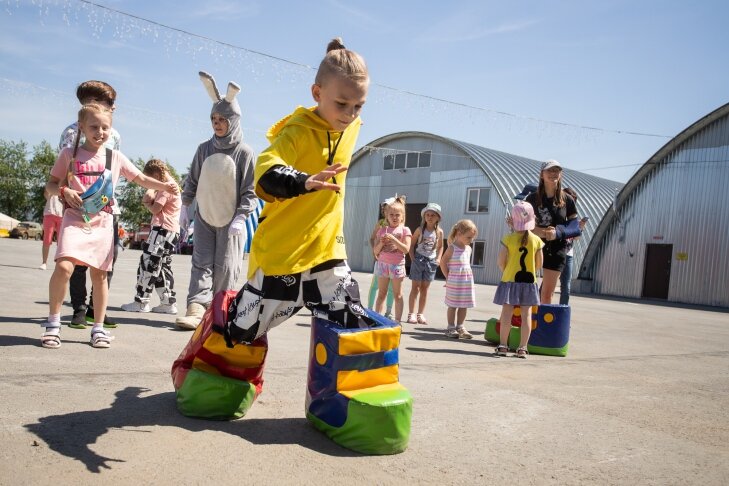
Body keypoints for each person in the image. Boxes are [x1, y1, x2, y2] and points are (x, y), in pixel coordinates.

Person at [224, 37, 371, 345]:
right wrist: (302, 181)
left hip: (327, 250)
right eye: (342, 104)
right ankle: (207, 366)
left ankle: (341, 391)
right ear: (317, 93)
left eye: (358, 106)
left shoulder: (352, 126)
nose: (349, 114)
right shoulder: (297, 131)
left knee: (352, 324)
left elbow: (349, 106)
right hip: (284, 251)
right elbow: (264, 170)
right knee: (239, 332)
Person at [41, 103, 179, 349]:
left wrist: (164, 187)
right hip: (75, 219)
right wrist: (63, 189)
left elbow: (140, 178)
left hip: (103, 221)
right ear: (82, 127)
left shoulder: (114, 157)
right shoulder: (68, 155)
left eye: (105, 127)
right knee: (63, 267)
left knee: (100, 275)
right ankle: (53, 324)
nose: (100, 132)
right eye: (94, 126)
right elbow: (49, 186)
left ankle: (98, 328)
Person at [175, 71, 257, 330]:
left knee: (226, 267)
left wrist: (242, 216)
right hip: (205, 218)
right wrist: (185, 206)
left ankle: (220, 310)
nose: (217, 123)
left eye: (222, 118)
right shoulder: (204, 149)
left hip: (231, 220)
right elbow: (193, 180)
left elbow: (250, 189)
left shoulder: (244, 152)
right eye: (213, 118)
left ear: (233, 120)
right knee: (200, 263)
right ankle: (196, 308)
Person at [58, 80, 122, 329]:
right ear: (89, 104)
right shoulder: (72, 133)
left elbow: (115, 168)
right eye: (108, 102)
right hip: (80, 206)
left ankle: (97, 309)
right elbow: (66, 168)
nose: (113, 107)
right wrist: (67, 192)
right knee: (77, 260)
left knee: (108, 257)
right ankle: (79, 308)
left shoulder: (113, 134)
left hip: (107, 206)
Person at [121, 159, 182, 314]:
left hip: (161, 230)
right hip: (171, 231)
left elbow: (155, 209)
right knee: (162, 267)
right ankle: (168, 303)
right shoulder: (171, 184)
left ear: (155, 174)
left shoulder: (166, 187)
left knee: (148, 265)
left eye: (150, 178)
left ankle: (141, 301)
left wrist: (147, 203)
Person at [493, 201, 544, 359]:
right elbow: (540, 264)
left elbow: (500, 261)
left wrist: (506, 271)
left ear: (513, 220)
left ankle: (503, 346)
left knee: (506, 314)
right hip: (529, 283)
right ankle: (522, 348)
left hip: (509, 281)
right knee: (526, 315)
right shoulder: (536, 241)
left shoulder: (508, 239)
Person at [525, 160, 578, 304]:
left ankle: (542, 326)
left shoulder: (567, 199)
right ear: (542, 174)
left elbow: (575, 227)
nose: (553, 174)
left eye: (557, 171)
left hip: (556, 249)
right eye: (549, 170)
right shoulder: (531, 198)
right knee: (525, 288)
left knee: (547, 294)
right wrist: (539, 232)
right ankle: (524, 323)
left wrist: (558, 233)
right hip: (533, 247)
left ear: (560, 175)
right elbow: (523, 224)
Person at [373, 196, 412, 322]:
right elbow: (376, 252)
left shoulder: (405, 230)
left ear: (402, 216)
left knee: (398, 294)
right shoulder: (382, 230)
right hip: (383, 265)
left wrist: (394, 239)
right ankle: (377, 320)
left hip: (397, 266)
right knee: (381, 293)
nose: (394, 217)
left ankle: (398, 322)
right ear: (386, 216)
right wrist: (382, 243)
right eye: (391, 215)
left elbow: (406, 249)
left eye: (397, 215)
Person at [406, 202, 444, 324]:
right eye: (427, 214)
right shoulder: (419, 230)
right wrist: (413, 259)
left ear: (438, 217)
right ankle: (411, 314)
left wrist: (438, 259)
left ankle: (420, 314)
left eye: (433, 215)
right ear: (424, 216)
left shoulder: (439, 232)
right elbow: (411, 245)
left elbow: (441, 247)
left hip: (431, 262)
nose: (430, 217)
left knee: (424, 289)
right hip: (419, 259)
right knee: (415, 288)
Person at [440, 219, 478, 339]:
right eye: (468, 237)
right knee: (453, 305)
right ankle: (450, 327)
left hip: (466, 282)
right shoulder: (452, 248)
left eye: (472, 238)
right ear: (459, 234)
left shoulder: (468, 249)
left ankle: (460, 326)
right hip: (454, 282)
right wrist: (448, 277)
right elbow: (443, 263)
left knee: (464, 305)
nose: (470, 240)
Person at [367, 198, 395, 318]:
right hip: (381, 261)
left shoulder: (399, 224)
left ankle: (388, 311)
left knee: (391, 288)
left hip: (394, 261)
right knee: (375, 286)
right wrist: (375, 252)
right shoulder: (381, 223)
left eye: (387, 208)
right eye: (384, 208)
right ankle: (369, 309)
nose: (385, 210)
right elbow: (372, 238)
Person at [559, 187, 586, 305]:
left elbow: (576, 238)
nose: (571, 204)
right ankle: (540, 312)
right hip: (556, 252)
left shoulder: (573, 218)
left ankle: (562, 314)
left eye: (573, 202)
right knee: (547, 285)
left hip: (568, 254)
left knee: (566, 287)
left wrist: (580, 227)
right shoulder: (557, 214)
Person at [39, 188, 64, 270]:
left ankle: (59, 263)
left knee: (61, 241)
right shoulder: (52, 184)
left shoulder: (66, 185)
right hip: (49, 213)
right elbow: (46, 194)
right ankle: (44, 262)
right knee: (47, 239)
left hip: (62, 215)